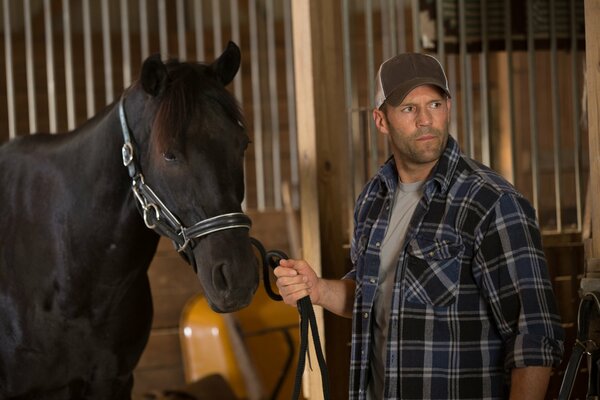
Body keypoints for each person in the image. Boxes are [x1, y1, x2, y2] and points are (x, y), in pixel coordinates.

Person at [274, 53, 564, 399]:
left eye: (435, 104)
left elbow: (534, 337)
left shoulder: (490, 202)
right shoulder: (373, 198)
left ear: (449, 107)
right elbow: (377, 298)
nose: (426, 119)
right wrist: (318, 289)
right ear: (381, 121)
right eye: (409, 109)